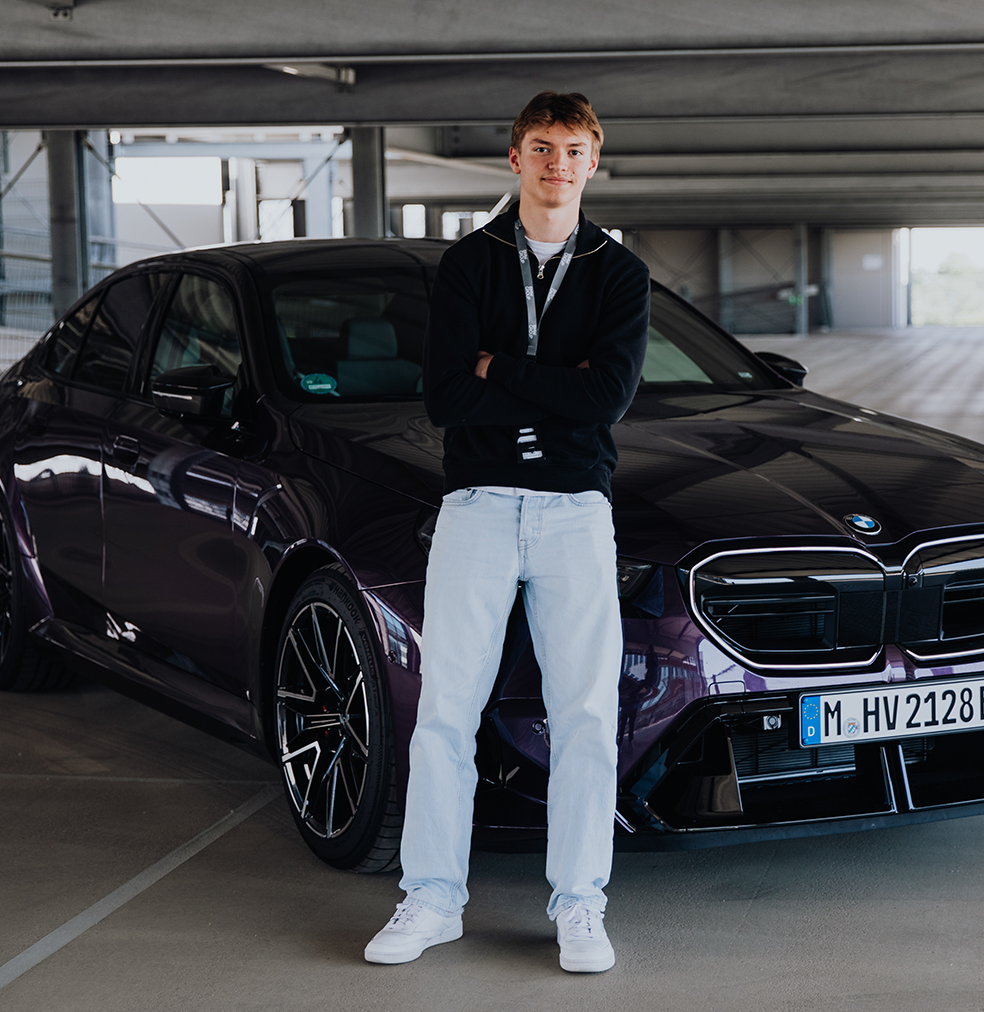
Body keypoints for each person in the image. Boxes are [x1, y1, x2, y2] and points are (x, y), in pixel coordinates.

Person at [363, 90, 650, 973]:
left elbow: (609, 399)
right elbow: (447, 397)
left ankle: (579, 907)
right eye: (540, 147)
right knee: (446, 711)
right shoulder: (468, 265)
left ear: (591, 162)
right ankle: (432, 900)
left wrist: (502, 369)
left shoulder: (617, 272)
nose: (556, 163)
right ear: (514, 159)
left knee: (586, 717)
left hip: (573, 512)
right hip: (479, 506)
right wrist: (551, 382)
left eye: (572, 149)